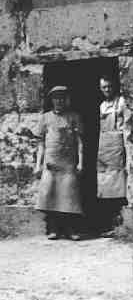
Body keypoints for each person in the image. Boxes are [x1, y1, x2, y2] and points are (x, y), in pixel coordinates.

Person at [34, 86, 84, 241]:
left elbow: (80, 142)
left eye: (62, 98)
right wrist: (38, 165)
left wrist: (81, 162)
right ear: (52, 100)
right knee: (50, 195)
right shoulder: (45, 118)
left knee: (70, 197)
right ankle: (53, 229)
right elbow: (41, 143)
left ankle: (71, 230)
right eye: (56, 98)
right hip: (51, 162)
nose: (59, 101)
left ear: (67, 99)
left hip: (68, 163)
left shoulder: (74, 116)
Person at [96, 76, 129, 236]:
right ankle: (109, 223)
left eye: (109, 86)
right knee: (104, 185)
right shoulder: (102, 105)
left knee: (118, 184)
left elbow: (125, 125)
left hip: (116, 145)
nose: (107, 90)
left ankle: (120, 223)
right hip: (104, 147)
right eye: (104, 87)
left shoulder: (121, 102)